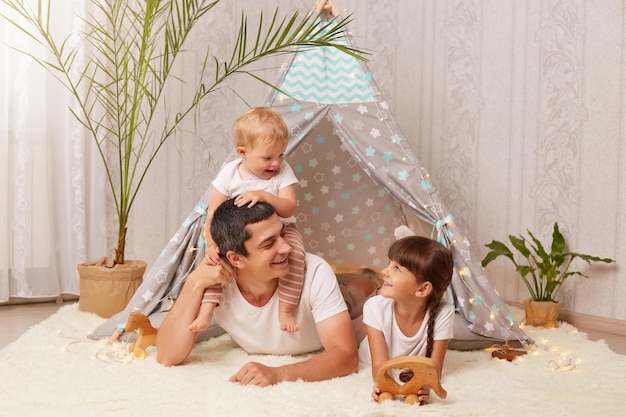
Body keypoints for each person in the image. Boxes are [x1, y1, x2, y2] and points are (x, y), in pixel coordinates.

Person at [156, 198, 376, 386]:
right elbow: (167, 355)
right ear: (235, 259)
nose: (287, 247)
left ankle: (363, 283)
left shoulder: (316, 271)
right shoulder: (217, 282)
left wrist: (278, 373)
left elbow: (347, 358)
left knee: (359, 298)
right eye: (269, 243)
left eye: (282, 235)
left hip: (337, 297)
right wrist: (194, 281)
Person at [189, 107, 305, 334]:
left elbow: (289, 206)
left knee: (297, 255)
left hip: (282, 229)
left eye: (281, 155)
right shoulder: (230, 173)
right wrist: (212, 245)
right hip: (241, 236)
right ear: (242, 152)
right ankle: (206, 311)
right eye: (268, 158)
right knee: (215, 262)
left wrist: (265, 196)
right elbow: (213, 213)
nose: (276, 163)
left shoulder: (283, 172)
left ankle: (286, 309)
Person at [358, 236, 454, 405]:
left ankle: (365, 283)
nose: (385, 271)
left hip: (381, 300)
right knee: (351, 305)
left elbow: (435, 369)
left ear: (423, 289)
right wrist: (384, 385)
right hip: (359, 332)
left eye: (397, 268)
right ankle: (364, 283)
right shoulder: (374, 307)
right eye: (389, 263)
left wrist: (424, 387)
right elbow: (379, 365)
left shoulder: (444, 312)